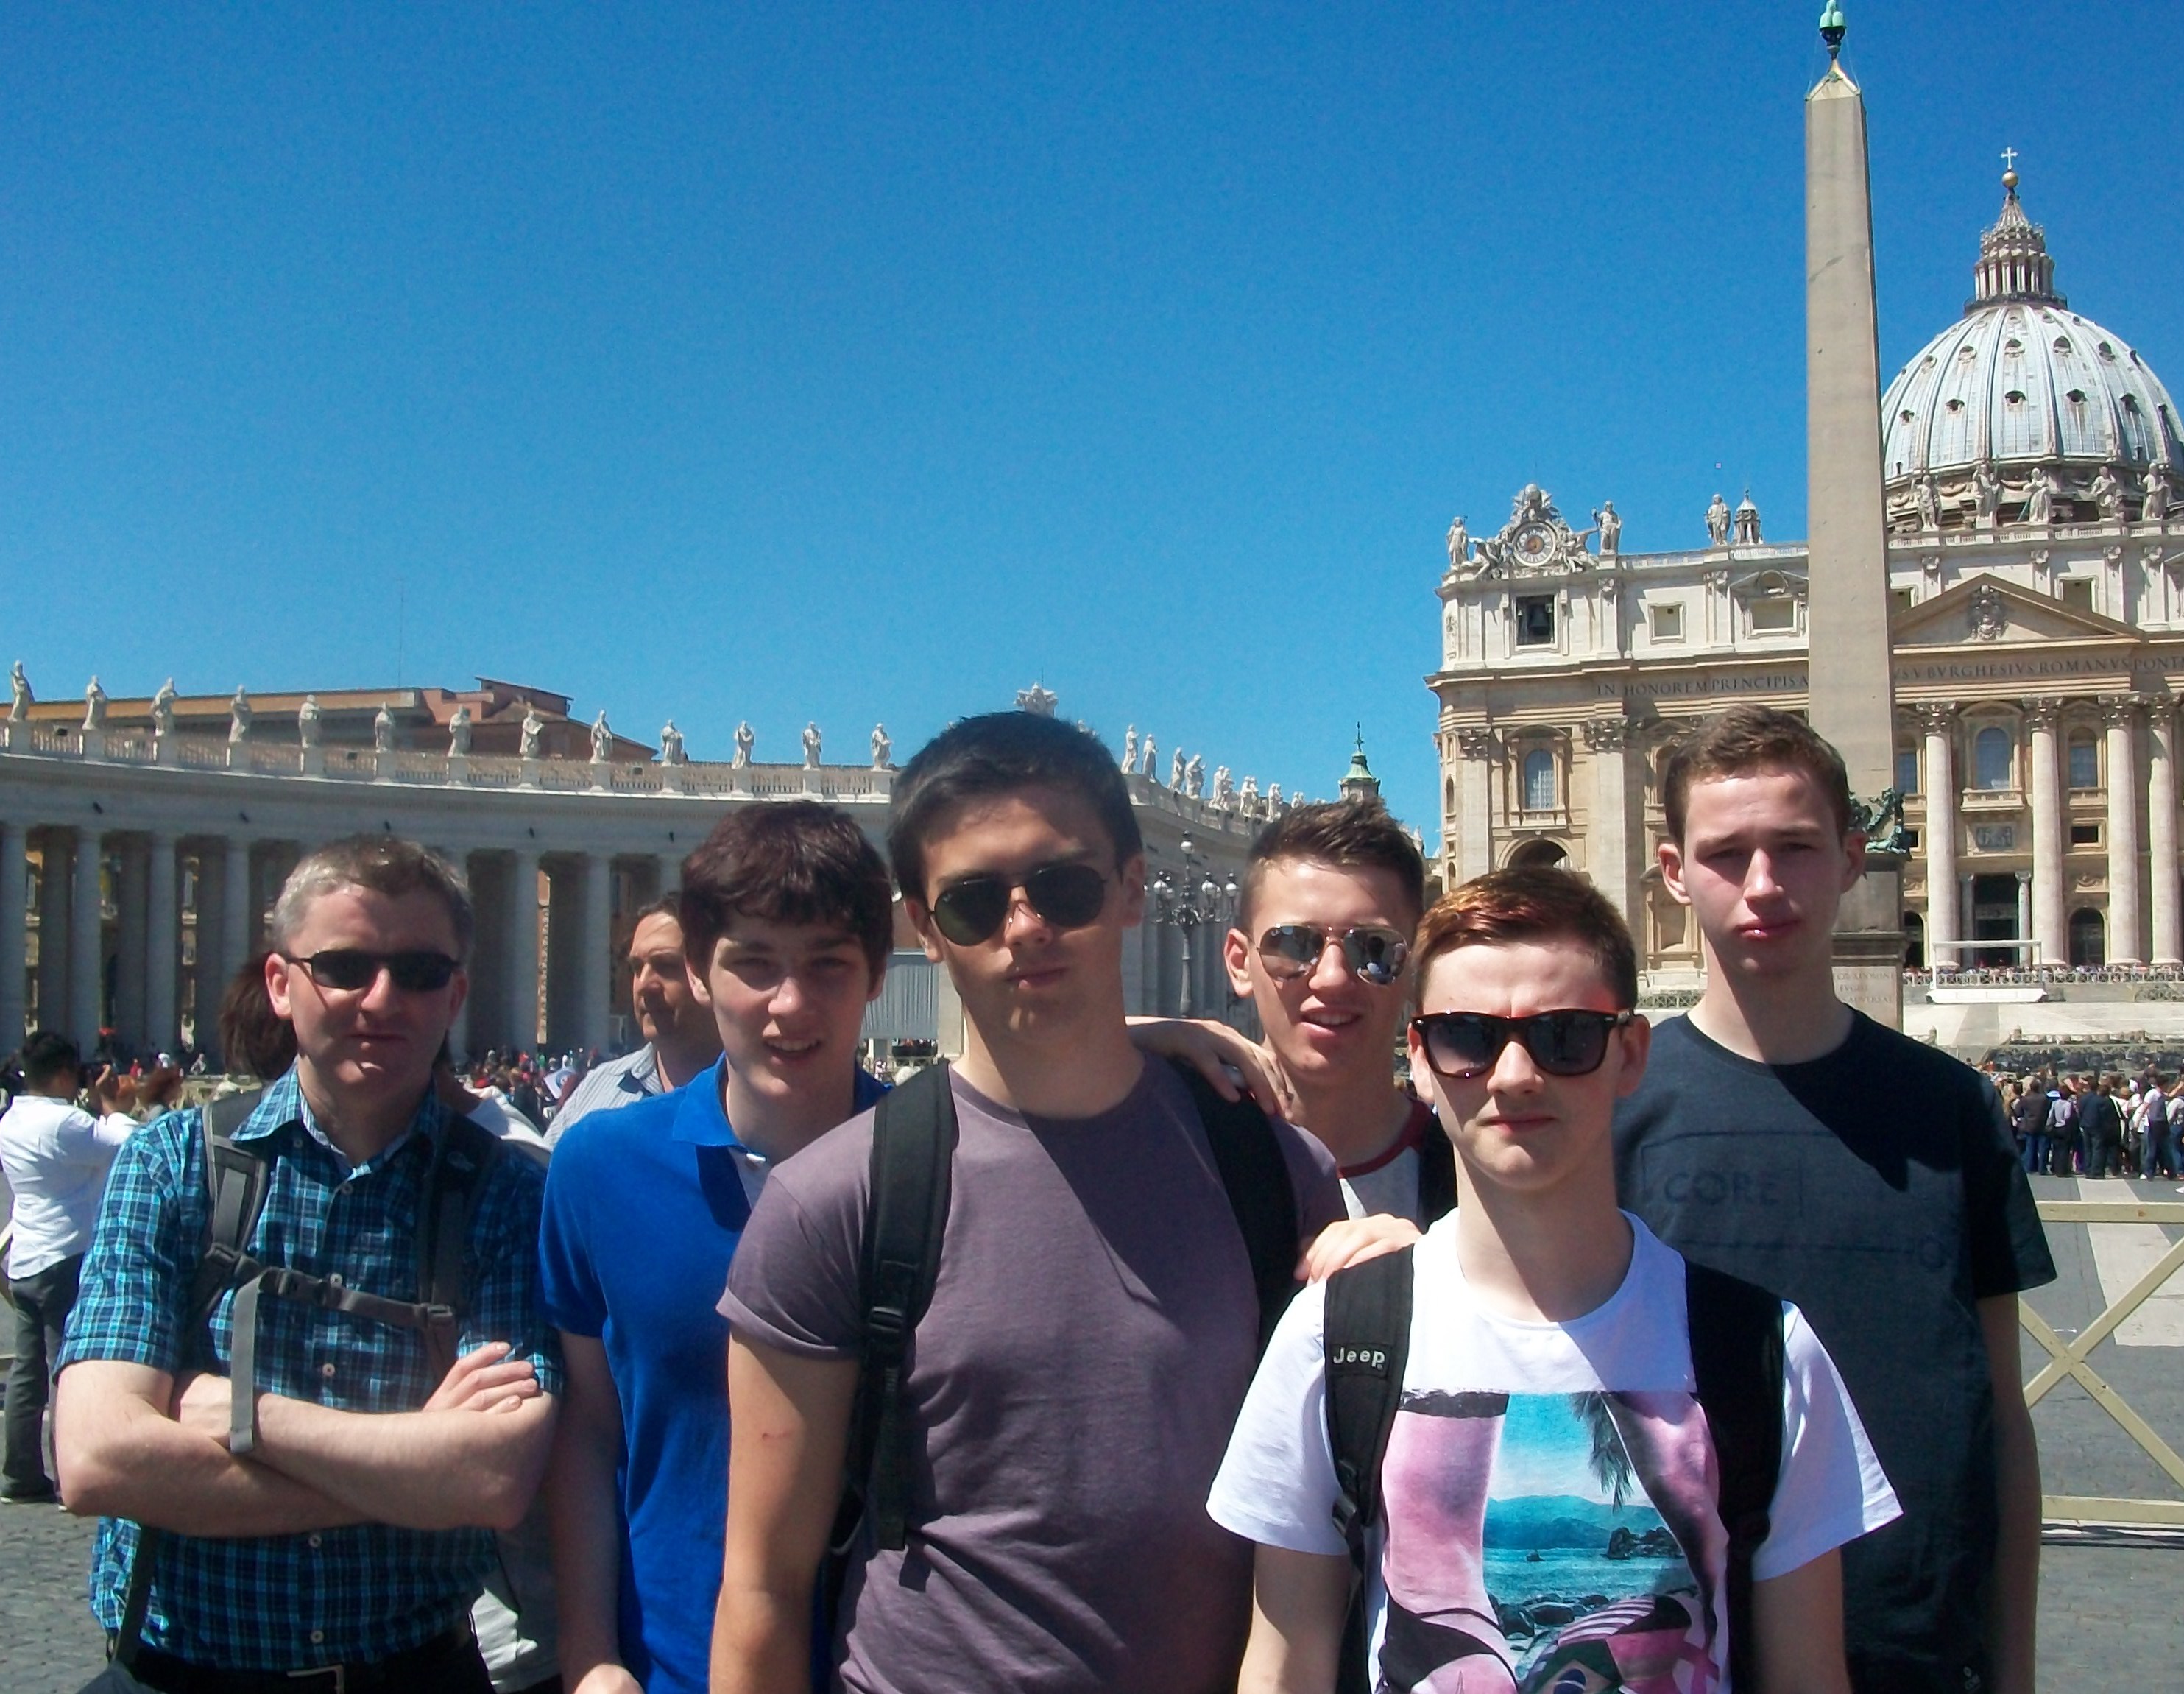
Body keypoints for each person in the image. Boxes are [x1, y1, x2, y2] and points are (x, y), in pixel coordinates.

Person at [713, 713, 1349, 1694]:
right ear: (923, 928)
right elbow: (762, 1587)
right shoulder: (832, 1200)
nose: (1024, 927)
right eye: (973, 903)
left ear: (1131, 886)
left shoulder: (1274, 1170)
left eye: (1063, 886)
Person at [1210, 867, 1898, 1693]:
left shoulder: (1767, 1348)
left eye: (1564, 1037)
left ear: (1630, 1053)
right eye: (1467, 1037)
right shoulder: (1329, 1336)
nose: (1513, 1075)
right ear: (1420, 1061)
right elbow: (1283, 1666)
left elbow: (1809, 1676)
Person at [1612, 705, 2054, 1694]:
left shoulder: (1953, 1107)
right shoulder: (1615, 1109)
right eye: (1727, 853)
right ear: (1673, 871)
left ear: (1852, 858)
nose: (1764, 883)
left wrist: (2014, 1665)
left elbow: (1999, 1415)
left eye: (1796, 846)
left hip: (1916, 1645)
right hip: (1685, 1650)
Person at [53, 836, 561, 1690]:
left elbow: (494, 1478)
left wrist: (240, 1415)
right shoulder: (171, 1163)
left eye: (419, 971)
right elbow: (98, 1459)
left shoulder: (509, 1194)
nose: (381, 997)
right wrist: (411, 1466)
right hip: (180, 1673)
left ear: (455, 996)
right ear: (281, 984)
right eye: (344, 967)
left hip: (416, 1673)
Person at [540, 805, 894, 1694]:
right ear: (700, 971)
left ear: (878, 974)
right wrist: (588, 1652)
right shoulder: (598, 1169)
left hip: (902, 1667)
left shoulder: (947, 1163)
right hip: (671, 1664)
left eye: (828, 964)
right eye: (755, 964)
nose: (791, 1003)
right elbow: (590, 1429)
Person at [1223, 798, 1449, 1224]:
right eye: (1293, 943)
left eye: (1373, 947)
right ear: (1240, 963)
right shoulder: (1176, 1152)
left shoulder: (1475, 1184)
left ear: (1415, 966)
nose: (1332, 978)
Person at [1, 1032, 138, 1504]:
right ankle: (69, 1475)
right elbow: (128, 1144)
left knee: (27, 1372)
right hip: (66, 1256)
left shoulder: (12, 1118)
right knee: (68, 1369)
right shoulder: (65, 1123)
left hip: (26, 1257)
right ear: (63, 1074)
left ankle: (20, 1473)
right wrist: (112, 1106)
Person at [548, 895, 724, 1144]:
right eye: (637, 968)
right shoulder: (597, 1088)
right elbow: (541, 1167)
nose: (644, 985)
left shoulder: (764, 1099)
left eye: (666, 966)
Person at [2078, 1075, 2122, 1180]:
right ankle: (2096, 1171)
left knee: (2088, 1149)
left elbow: (2080, 1111)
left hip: (2086, 1125)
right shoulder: (2102, 1100)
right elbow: (2108, 1116)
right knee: (2098, 1149)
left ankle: (2088, 1170)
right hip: (2098, 1127)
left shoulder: (2084, 1099)